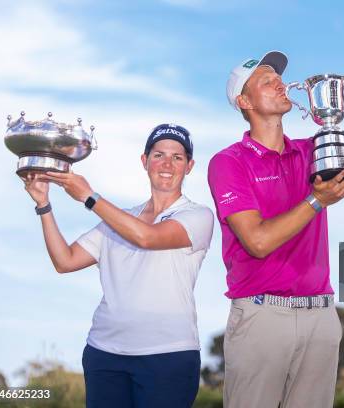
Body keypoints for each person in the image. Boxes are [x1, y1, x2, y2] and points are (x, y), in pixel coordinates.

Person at [207, 50, 344, 408]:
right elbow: (258, 241)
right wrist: (317, 201)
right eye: (267, 81)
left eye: (279, 79)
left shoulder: (313, 148)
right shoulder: (228, 162)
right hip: (262, 315)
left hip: (321, 316)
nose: (280, 84)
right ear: (244, 101)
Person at [24, 124, 214, 408]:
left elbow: (147, 238)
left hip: (168, 356)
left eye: (177, 157)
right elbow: (65, 261)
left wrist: (90, 197)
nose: (167, 164)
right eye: (159, 154)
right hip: (105, 354)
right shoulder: (119, 219)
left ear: (189, 166)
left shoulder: (198, 216)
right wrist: (44, 205)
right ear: (144, 161)